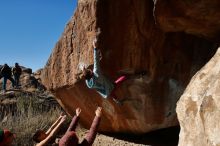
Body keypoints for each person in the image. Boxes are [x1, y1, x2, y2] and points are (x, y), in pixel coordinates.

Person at [82, 39, 127, 104]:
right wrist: (95, 48)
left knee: (112, 94)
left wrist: (84, 70)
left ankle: (117, 101)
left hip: (105, 92)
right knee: (119, 81)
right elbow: (96, 60)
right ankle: (128, 76)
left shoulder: (88, 84)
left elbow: (86, 77)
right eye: (89, 70)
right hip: (110, 87)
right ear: (91, 72)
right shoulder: (96, 72)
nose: (90, 69)